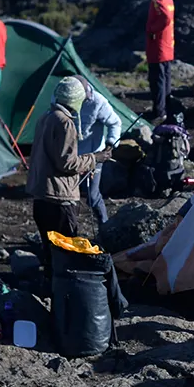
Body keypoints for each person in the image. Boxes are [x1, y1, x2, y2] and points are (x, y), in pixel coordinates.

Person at [26, 76, 112, 272]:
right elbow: (67, 163)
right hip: (59, 199)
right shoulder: (65, 123)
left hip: (41, 196)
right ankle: (63, 297)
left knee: (50, 252)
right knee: (66, 254)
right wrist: (95, 158)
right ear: (76, 100)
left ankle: (49, 293)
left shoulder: (45, 117)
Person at [72, 75, 121, 225]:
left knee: (92, 196)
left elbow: (115, 123)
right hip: (71, 156)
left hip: (94, 155)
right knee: (68, 195)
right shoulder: (61, 97)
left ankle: (104, 227)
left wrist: (110, 144)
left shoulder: (98, 102)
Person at [145, 0, 175, 121]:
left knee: (157, 80)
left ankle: (159, 112)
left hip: (158, 46)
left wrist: (152, 29)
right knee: (165, 79)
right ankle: (166, 109)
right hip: (168, 45)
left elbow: (166, 17)